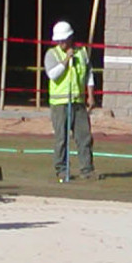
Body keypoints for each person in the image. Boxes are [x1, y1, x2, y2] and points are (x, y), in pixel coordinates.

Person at [45, 20, 96, 181]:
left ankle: (87, 169)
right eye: (58, 41)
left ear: (70, 37)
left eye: (64, 40)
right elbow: (53, 74)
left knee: (84, 136)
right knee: (62, 138)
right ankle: (61, 169)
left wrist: (91, 95)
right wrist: (66, 60)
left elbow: (88, 75)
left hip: (78, 102)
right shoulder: (52, 54)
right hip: (60, 104)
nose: (61, 43)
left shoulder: (82, 53)